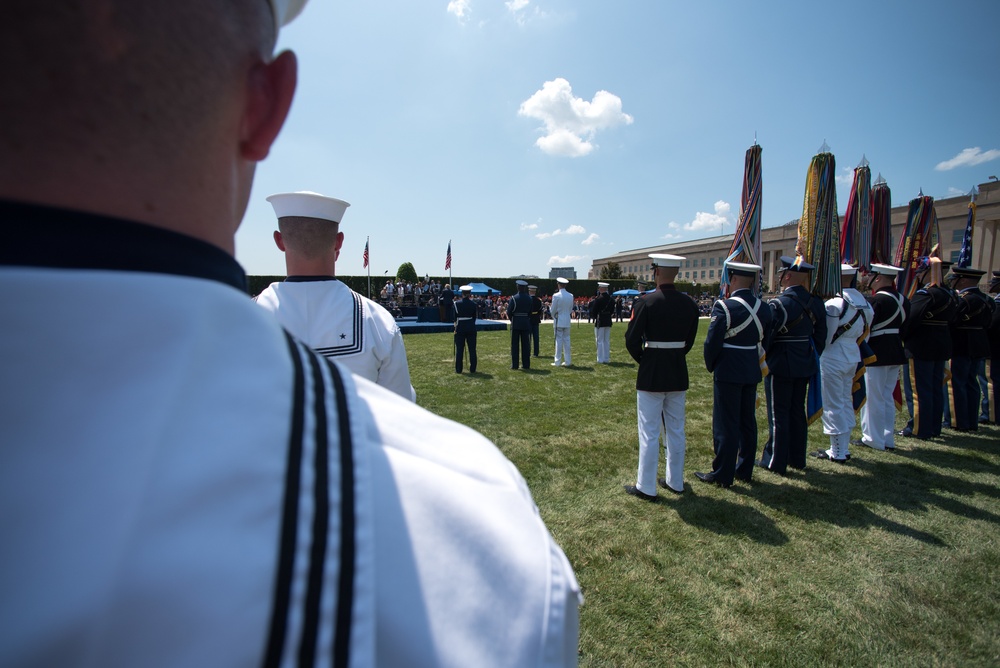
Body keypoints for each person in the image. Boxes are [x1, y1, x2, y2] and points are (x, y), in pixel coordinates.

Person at [0, 2, 581, 666]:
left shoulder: (262, 311)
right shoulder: (495, 547)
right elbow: (406, 420)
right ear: (267, 105)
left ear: (278, 241)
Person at [255, 191, 416, 401]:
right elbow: (401, 408)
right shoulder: (378, 322)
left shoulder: (239, 321)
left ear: (279, 240)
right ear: (339, 241)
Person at [624, 254, 699, 500]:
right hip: (677, 369)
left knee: (649, 430)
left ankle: (646, 486)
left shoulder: (646, 302)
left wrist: (645, 360)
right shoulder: (689, 304)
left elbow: (632, 339)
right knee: (676, 429)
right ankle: (675, 481)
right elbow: (689, 342)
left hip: (652, 371)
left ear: (656, 271)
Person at [696, 262, 772, 488]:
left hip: (728, 369)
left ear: (733, 278)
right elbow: (766, 340)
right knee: (747, 421)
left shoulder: (725, 307)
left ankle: (722, 473)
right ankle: (744, 469)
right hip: (750, 367)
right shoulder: (764, 307)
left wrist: (712, 365)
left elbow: (712, 342)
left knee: (726, 424)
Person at [758, 256, 827, 475]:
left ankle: (776, 460)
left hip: (781, 362)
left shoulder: (780, 303)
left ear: (787, 276)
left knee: (779, 414)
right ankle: (797, 458)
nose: (779, 278)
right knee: (797, 411)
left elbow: (768, 336)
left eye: (781, 274)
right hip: (805, 361)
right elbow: (821, 336)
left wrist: (766, 356)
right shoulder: (816, 302)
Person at [811, 264, 871, 463]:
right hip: (852, 354)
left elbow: (827, 337)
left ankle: (836, 450)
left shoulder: (834, 304)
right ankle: (842, 447)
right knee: (845, 401)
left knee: (833, 403)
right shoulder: (865, 303)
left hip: (833, 355)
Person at [902, 257, 957, 439]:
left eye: (921, 272)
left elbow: (912, 319)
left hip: (921, 345)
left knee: (920, 389)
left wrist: (903, 336)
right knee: (934, 388)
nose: (918, 275)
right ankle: (933, 426)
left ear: (929, 273)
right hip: (941, 345)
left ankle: (919, 427)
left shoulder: (926, 294)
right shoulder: (950, 294)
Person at [856, 263, 910, 451]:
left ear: (877, 278)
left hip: (876, 352)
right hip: (895, 350)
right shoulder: (903, 300)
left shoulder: (876, 301)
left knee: (873, 398)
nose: (867, 278)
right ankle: (887, 438)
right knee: (886, 397)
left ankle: (872, 438)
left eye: (870, 275)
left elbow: (866, 329)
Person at [948, 266, 994, 431]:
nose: (953, 282)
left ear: (963, 280)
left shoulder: (964, 299)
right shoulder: (987, 299)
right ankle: (972, 420)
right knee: (972, 383)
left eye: (955, 279)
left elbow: (953, 320)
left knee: (958, 383)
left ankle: (959, 421)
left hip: (962, 343)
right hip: (979, 344)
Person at [507, 279, 533, 370]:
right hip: (526, 322)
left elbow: (509, 312)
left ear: (518, 287)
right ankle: (526, 364)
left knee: (515, 345)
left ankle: (515, 365)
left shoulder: (514, 298)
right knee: (526, 345)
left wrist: (512, 320)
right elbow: (530, 312)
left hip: (516, 322)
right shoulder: (529, 298)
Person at [454, 284, 478, 373]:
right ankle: (473, 368)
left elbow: (454, 317)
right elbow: (474, 317)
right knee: (472, 349)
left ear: (462, 294)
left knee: (459, 349)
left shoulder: (457, 304)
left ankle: (459, 369)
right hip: (471, 327)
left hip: (460, 327)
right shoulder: (473, 304)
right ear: (470, 293)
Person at [551, 277, 574, 367]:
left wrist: (554, 316)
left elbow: (553, 309)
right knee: (567, 341)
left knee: (558, 341)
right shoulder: (570, 295)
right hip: (566, 320)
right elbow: (570, 309)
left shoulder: (556, 295)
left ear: (558, 284)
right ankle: (568, 361)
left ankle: (557, 361)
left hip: (559, 320)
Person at [592, 282, 614, 364]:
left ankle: (600, 359)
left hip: (600, 320)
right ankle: (606, 358)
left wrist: (594, 317)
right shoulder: (611, 299)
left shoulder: (598, 299)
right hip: (608, 320)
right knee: (606, 340)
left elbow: (594, 311)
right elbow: (612, 311)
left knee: (599, 340)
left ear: (601, 289)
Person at [529, 284, 544, 357]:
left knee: (528, 337)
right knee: (536, 337)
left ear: (529, 291)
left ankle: (528, 351)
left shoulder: (528, 299)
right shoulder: (538, 300)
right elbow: (540, 311)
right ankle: (536, 352)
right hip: (536, 319)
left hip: (529, 319)